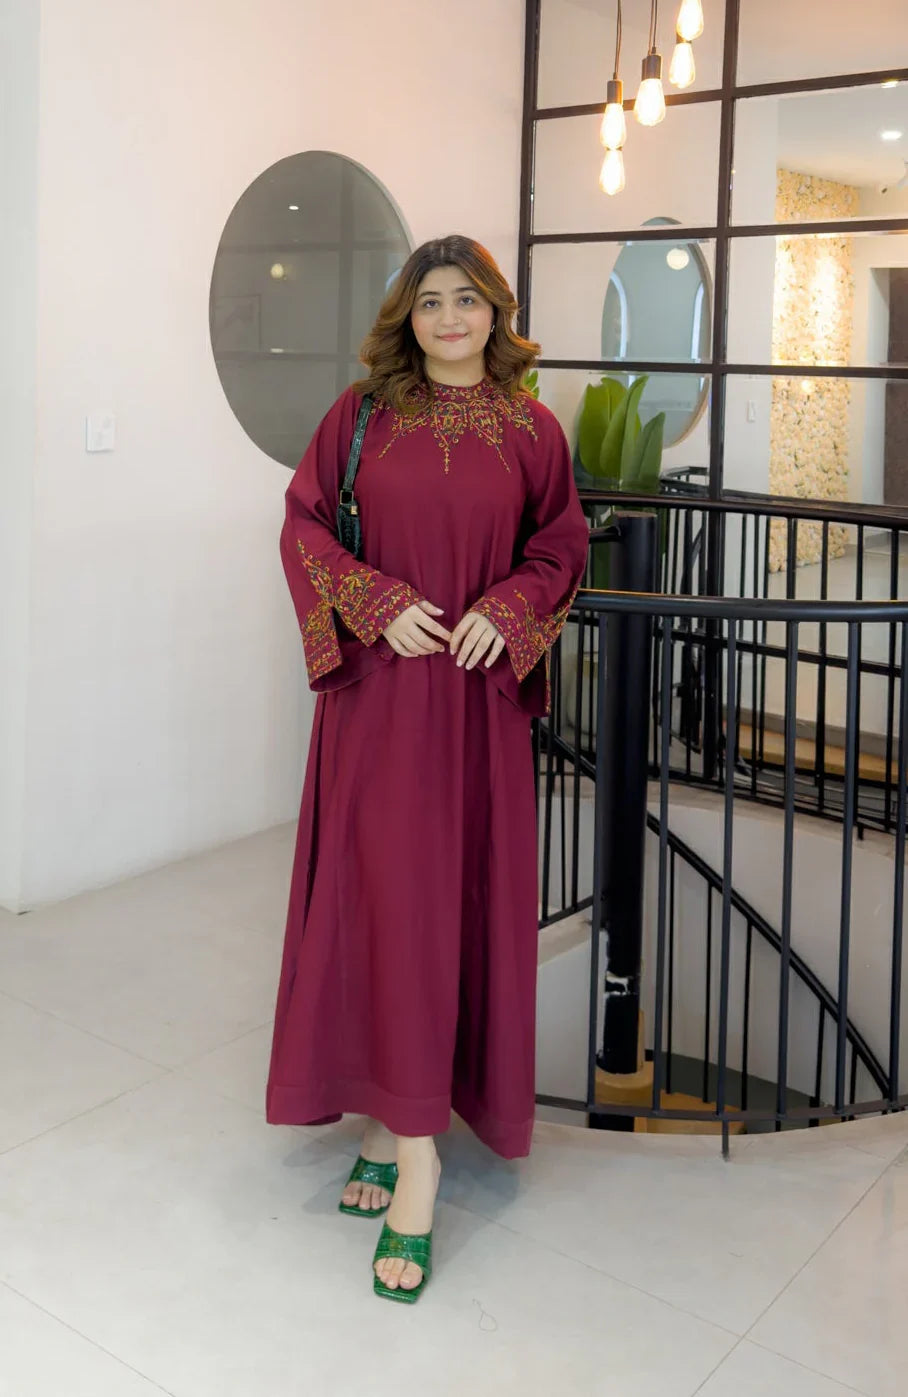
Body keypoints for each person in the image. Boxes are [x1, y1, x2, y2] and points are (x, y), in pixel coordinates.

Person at [266, 234, 589, 1303]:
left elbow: (561, 547)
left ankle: (409, 1140)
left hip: (474, 706)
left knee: (446, 907)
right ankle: (404, 1131)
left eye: (468, 300)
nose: (450, 318)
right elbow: (304, 526)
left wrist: (510, 608)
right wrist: (372, 599)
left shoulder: (532, 431)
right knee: (379, 905)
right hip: (379, 702)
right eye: (430, 301)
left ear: (496, 312)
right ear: (407, 315)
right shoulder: (360, 416)